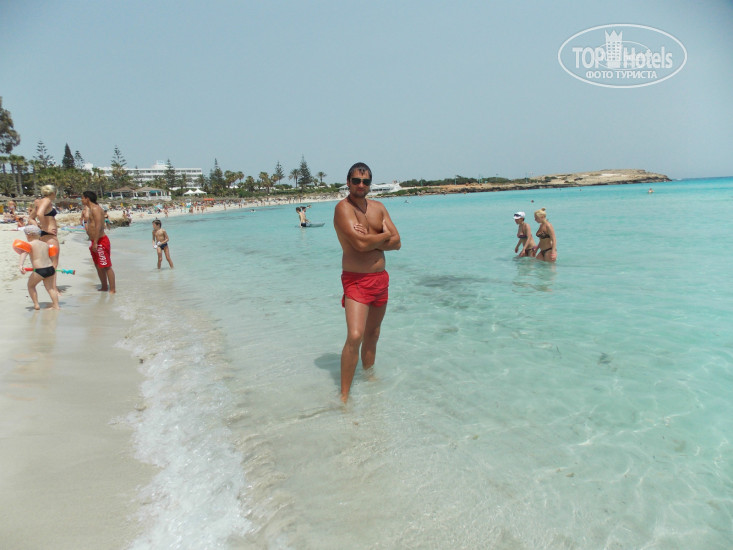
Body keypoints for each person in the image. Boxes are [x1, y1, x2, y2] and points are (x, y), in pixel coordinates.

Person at [333, 162, 401, 403]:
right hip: (356, 281)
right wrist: (384, 235)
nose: (361, 185)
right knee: (355, 335)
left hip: (380, 280)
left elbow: (397, 242)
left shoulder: (378, 207)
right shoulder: (343, 209)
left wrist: (374, 237)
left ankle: (369, 379)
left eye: (365, 181)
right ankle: (344, 395)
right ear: (348, 182)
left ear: (370, 184)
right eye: (356, 181)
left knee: (373, 333)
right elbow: (360, 245)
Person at [17, 225, 60, 310]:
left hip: (40, 270)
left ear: (28, 235)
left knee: (31, 286)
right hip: (50, 268)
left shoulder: (29, 244)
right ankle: (56, 305)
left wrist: (20, 265)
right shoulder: (45, 244)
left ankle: (36, 305)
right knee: (51, 288)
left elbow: (24, 253)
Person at [82, 190, 116, 292]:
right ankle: (104, 286)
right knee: (98, 266)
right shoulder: (90, 209)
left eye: (82, 198)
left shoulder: (96, 209)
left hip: (100, 241)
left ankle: (112, 289)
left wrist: (96, 242)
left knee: (106, 266)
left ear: (87, 198)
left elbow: (99, 226)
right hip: (94, 241)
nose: (81, 200)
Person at [27, 185, 61, 281]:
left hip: (44, 235)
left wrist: (39, 228)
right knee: (54, 263)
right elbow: (39, 214)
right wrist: (45, 227)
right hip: (50, 236)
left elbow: (31, 218)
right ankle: (53, 287)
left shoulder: (40, 202)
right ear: (53, 193)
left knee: (47, 263)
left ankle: (50, 285)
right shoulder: (47, 201)